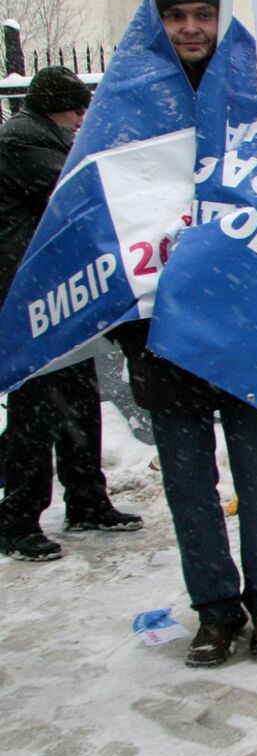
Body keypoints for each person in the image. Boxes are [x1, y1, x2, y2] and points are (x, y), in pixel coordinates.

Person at [108, 0, 257, 668]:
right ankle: (215, 613)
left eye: (202, 14)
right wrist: (134, 328)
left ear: (221, 18)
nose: (190, 28)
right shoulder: (128, 108)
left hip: (250, 332)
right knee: (190, 487)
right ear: (158, 23)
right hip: (165, 337)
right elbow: (111, 221)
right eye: (176, 16)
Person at [0, 66, 143, 562]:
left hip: (58, 299)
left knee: (79, 399)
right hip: (26, 304)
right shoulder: (20, 143)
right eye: (78, 110)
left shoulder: (44, 140)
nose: (83, 120)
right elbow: (76, 194)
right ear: (56, 107)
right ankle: (18, 520)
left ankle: (87, 500)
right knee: (34, 413)